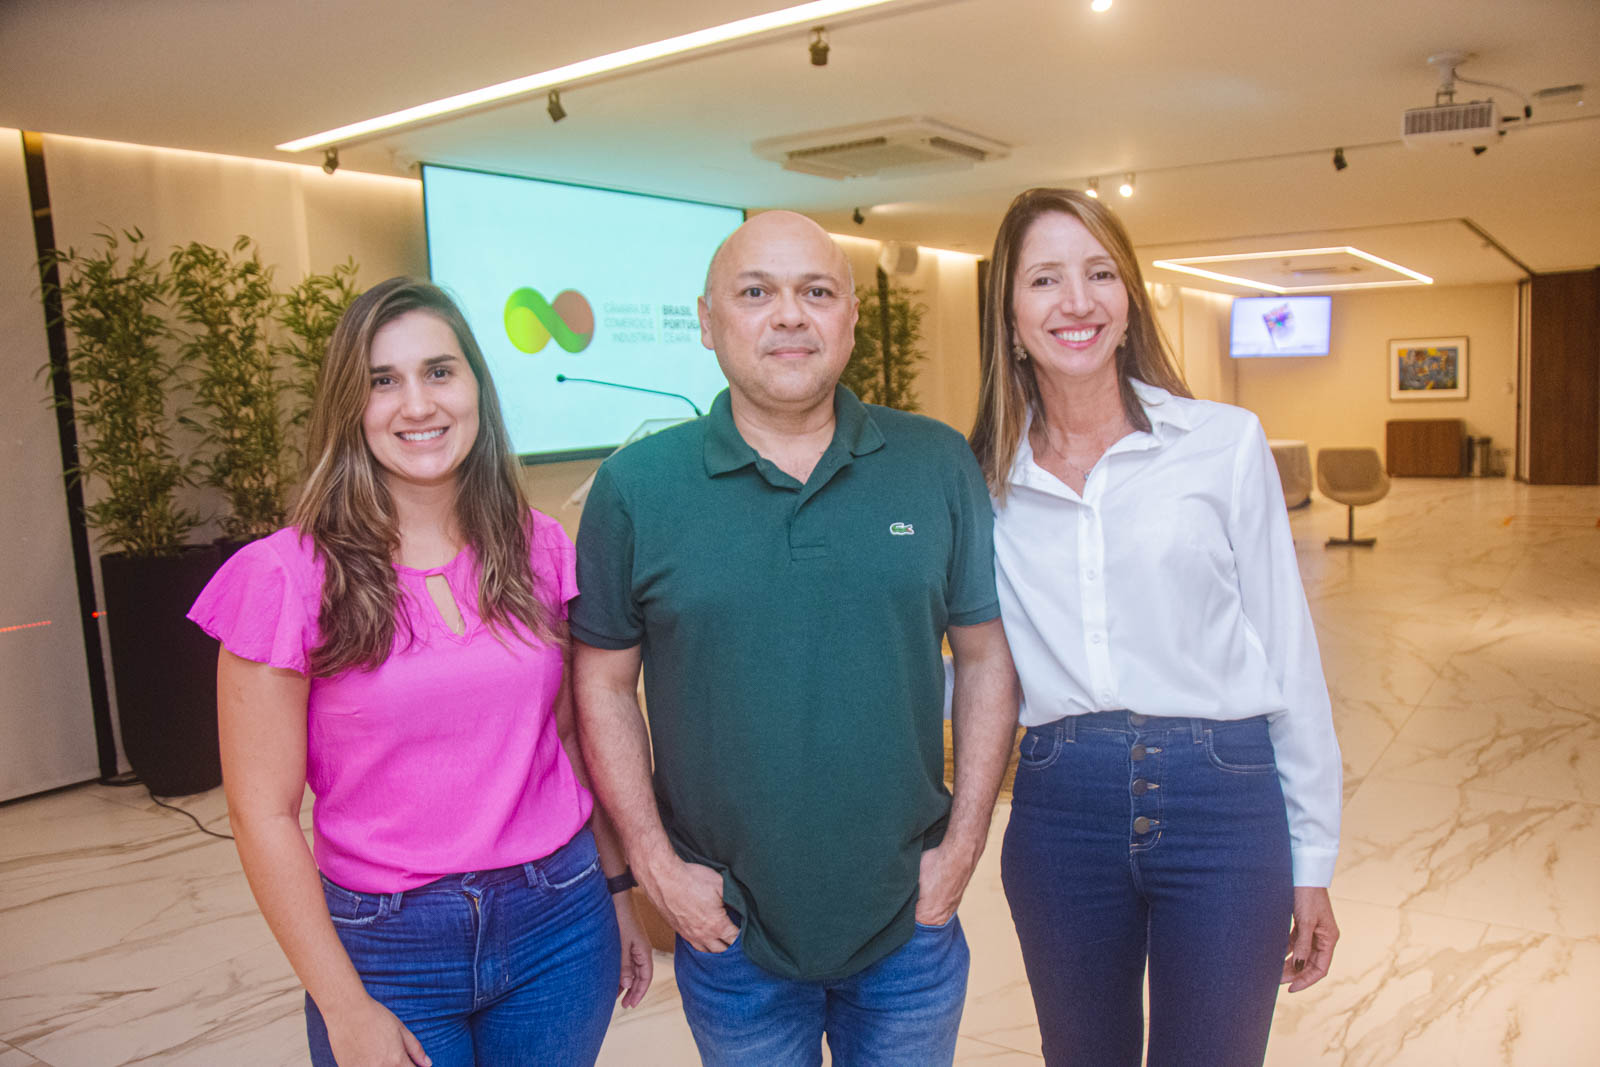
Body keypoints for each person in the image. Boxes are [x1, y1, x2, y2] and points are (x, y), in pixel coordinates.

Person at [571, 211, 1018, 1066]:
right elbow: (601, 683)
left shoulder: (934, 462)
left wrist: (963, 846)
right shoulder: (637, 487)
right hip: (728, 927)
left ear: (850, 318)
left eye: (816, 292)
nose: (788, 315)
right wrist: (657, 866)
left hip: (910, 920)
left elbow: (986, 657)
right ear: (708, 321)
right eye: (755, 293)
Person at [188, 278, 650, 1067]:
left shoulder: (538, 545)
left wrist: (618, 892)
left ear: (475, 386)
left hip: (560, 922)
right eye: (383, 380)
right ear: (349, 405)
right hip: (387, 947)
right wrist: (343, 1005)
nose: (418, 404)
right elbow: (262, 814)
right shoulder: (285, 577)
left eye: (439, 371)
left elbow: (571, 740)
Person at [968, 189, 1342, 1066]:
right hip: (1061, 807)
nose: (1077, 301)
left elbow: (1288, 652)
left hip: (1225, 800)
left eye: (1100, 273)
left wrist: (1313, 854)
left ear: (1130, 298)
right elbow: (980, 661)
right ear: (1009, 316)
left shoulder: (1223, 443)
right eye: (1045, 279)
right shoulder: (981, 476)